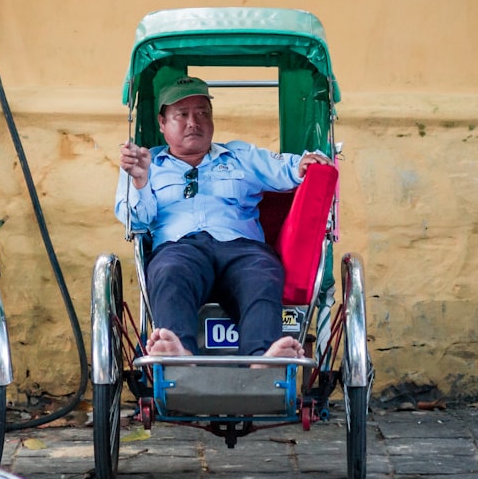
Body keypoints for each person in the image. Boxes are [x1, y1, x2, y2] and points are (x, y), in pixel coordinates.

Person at [115, 73, 331, 362]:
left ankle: (262, 360)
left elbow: (290, 169)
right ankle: (179, 355)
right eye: (182, 114)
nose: (194, 122)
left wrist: (307, 162)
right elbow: (137, 224)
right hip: (180, 249)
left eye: (202, 113)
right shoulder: (144, 162)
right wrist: (140, 182)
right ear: (162, 123)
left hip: (241, 249)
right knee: (169, 273)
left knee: (263, 274)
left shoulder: (240, 155)